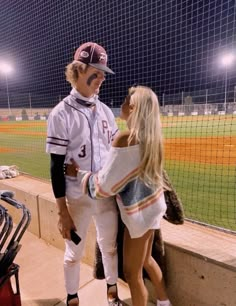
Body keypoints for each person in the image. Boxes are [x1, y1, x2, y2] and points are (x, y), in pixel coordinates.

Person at [67, 86, 172, 306]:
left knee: (132, 273)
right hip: (153, 208)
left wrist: (79, 173)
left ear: (133, 108)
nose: (122, 103)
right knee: (147, 260)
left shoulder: (126, 139)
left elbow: (103, 187)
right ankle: (164, 302)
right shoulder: (151, 137)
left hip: (140, 215)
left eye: (126, 100)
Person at [46, 42, 123, 306]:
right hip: (77, 198)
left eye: (103, 72)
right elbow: (56, 167)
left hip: (105, 195)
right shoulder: (61, 114)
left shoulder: (104, 111)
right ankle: (72, 299)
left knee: (109, 247)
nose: (102, 77)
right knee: (73, 254)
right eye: (97, 71)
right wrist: (62, 212)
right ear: (79, 69)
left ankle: (112, 295)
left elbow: (116, 150)